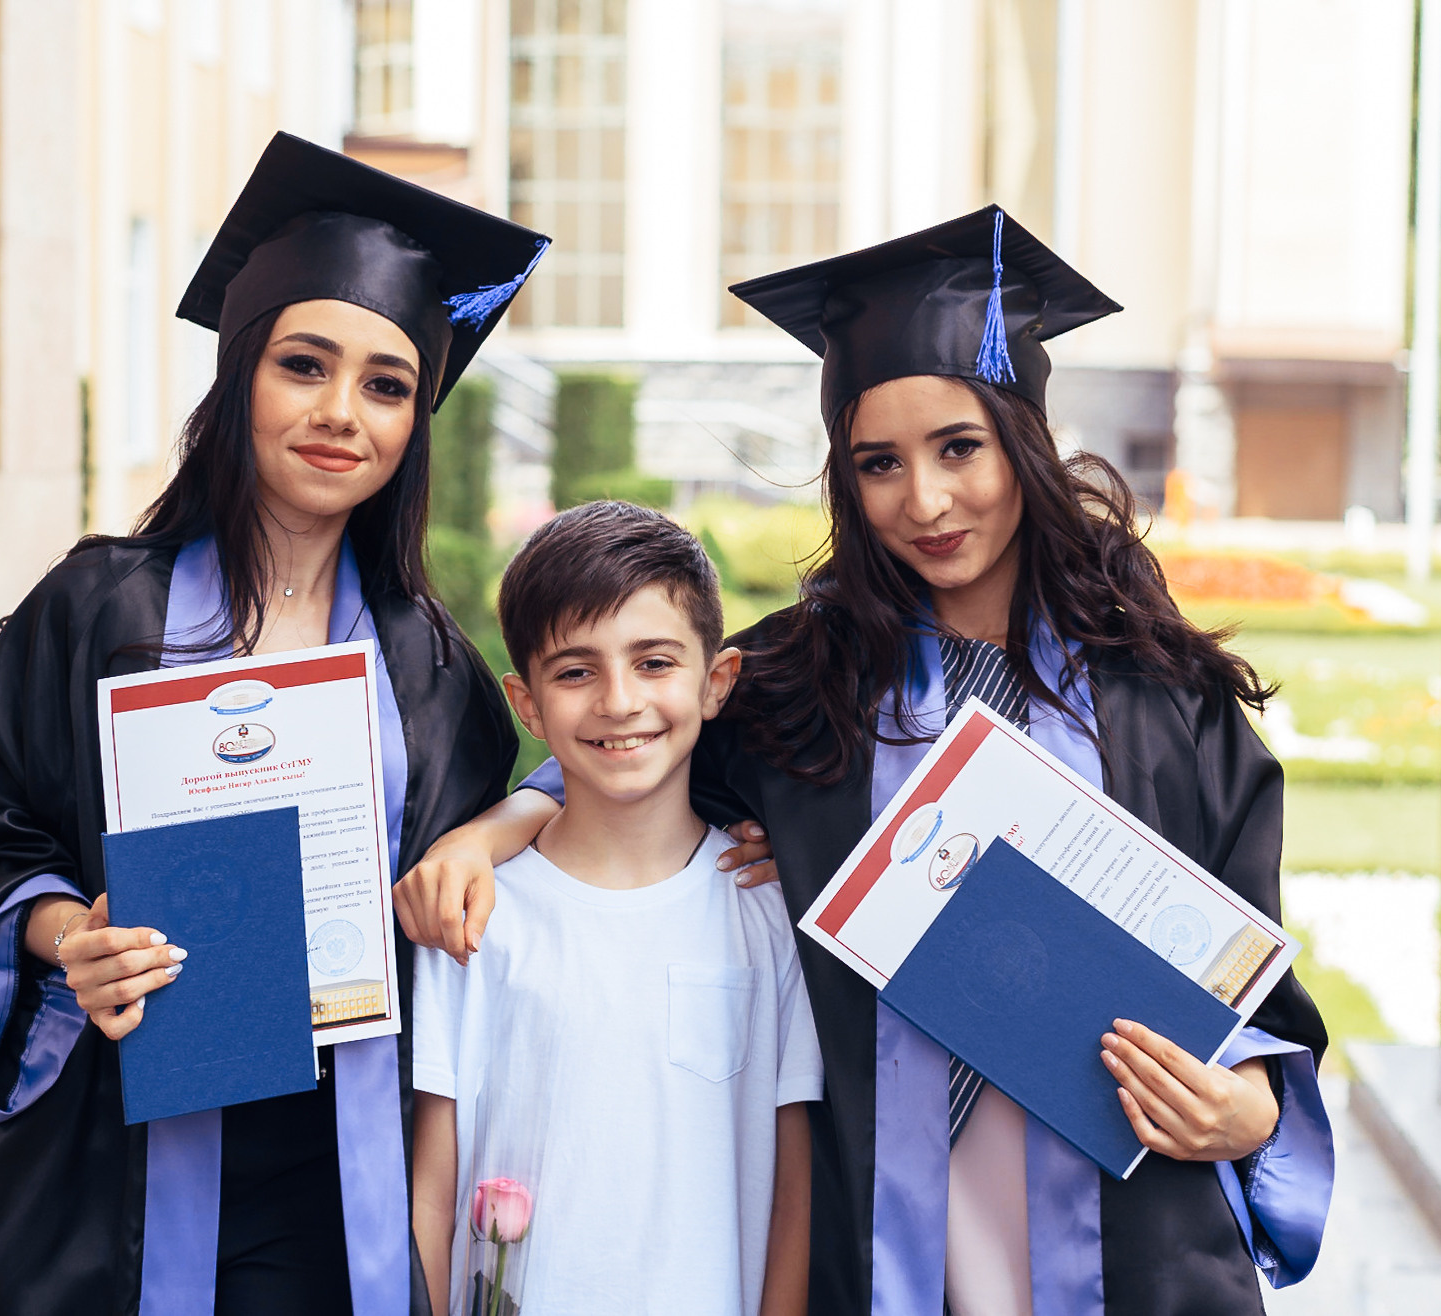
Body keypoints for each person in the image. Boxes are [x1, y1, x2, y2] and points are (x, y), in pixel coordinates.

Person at [394, 207, 1334, 1315]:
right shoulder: (804, 684)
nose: (925, 502)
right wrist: (494, 827)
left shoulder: (1161, 701)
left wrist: (1253, 1108)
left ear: (1023, 440)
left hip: (1123, 1231)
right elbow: (627, 743)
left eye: (959, 448)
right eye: (879, 462)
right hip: (883, 1236)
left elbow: (1255, 988)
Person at [0, 133, 548, 1316]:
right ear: (240, 372)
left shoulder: (429, 667)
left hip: (333, 1173)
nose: (344, 413)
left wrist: (501, 833)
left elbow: (519, 832)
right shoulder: (100, 608)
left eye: (388, 384)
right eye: (305, 364)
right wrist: (68, 929)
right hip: (105, 1172)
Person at [409, 502, 821, 1316]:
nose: (618, 700)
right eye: (574, 671)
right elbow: (432, 1186)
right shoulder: (474, 916)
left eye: (654, 662)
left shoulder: (767, 911)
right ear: (526, 705)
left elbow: (794, 1198)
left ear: (716, 683)